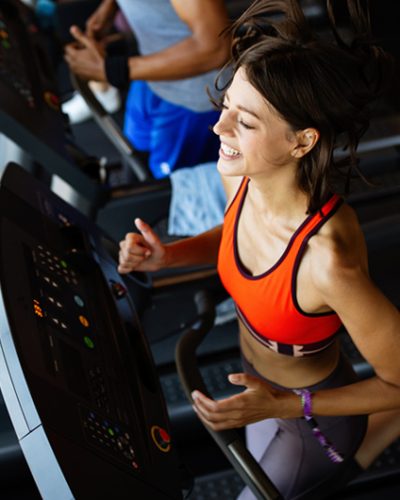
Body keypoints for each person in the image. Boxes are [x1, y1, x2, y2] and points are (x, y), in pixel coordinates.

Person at [117, 0, 400, 498]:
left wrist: (287, 406)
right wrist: (170, 256)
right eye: (226, 108)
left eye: (244, 123)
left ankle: (366, 446)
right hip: (258, 389)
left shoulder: (327, 262)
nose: (218, 129)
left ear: (301, 142)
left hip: (309, 423)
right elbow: (235, 239)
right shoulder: (241, 179)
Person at [64, 0, 231, 178]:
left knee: (169, 185)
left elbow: (215, 47)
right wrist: (110, 6)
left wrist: (113, 70)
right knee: (136, 155)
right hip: (150, 75)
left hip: (195, 94)